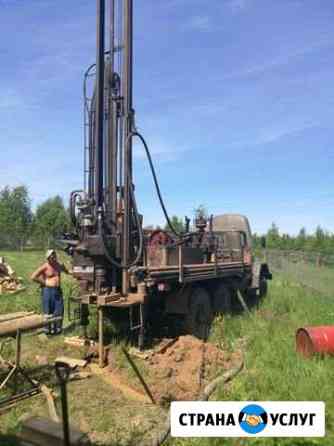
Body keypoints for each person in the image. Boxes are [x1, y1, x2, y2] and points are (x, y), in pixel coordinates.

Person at [31, 250, 71, 335]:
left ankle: (58, 329)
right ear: (48, 258)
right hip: (47, 291)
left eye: (54, 255)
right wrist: (45, 282)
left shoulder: (59, 265)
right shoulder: (45, 266)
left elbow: (67, 271)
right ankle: (47, 330)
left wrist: (74, 272)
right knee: (48, 310)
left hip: (57, 290)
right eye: (51, 256)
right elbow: (33, 276)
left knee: (59, 309)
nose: (53, 257)